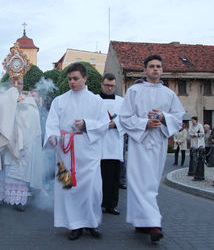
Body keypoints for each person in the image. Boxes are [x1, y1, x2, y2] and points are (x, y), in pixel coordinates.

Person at [119, 54, 184, 242]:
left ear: (162, 70)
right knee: (140, 183)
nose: (155, 69)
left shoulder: (169, 94)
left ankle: (141, 222)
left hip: (159, 143)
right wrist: (144, 123)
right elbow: (125, 117)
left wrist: (163, 117)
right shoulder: (134, 91)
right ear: (145, 70)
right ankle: (155, 224)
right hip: (140, 142)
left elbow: (179, 118)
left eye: (158, 66)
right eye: (152, 66)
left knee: (152, 183)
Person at [45, 62, 108, 240]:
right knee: (68, 188)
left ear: (85, 78)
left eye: (76, 78)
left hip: (89, 152)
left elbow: (104, 123)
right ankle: (74, 224)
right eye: (70, 79)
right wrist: (52, 135)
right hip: (65, 152)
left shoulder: (96, 100)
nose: (72, 82)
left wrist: (87, 124)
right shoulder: (60, 100)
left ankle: (91, 223)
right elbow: (52, 123)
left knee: (92, 189)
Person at [0, 78, 43, 211]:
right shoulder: (3, 100)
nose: (16, 86)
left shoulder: (29, 101)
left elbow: (33, 120)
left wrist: (22, 108)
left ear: (23, 85)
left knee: (21, 171)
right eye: (13, 83)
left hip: (24, 142)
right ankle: (7, 198)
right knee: (8, 170)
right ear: (9, 84)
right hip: (8, 141)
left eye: (20, 83)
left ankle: (19, 200)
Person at [99, 73, 125, 216]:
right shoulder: (95, 100)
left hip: (115, 144)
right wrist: (104, 125)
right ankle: (98, 202)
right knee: (100, 177)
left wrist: (115, 124)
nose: (109, 88)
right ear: (102, 85)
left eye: (112, 86)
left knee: (114, 178)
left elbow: (127, 119)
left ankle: (111, 205)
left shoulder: (122, 102)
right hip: (99, 146)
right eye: (106, 85)